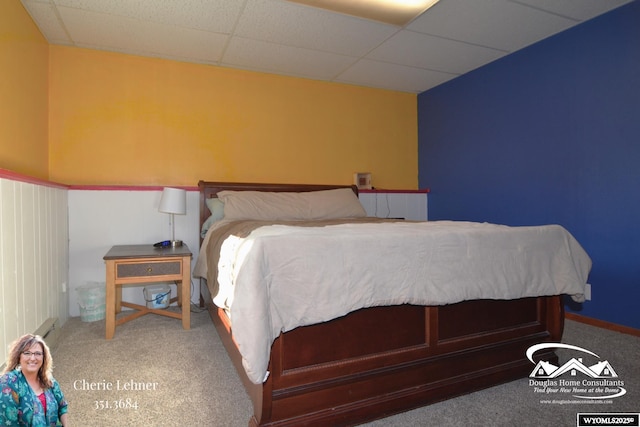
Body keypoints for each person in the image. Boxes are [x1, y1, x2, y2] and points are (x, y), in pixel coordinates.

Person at [0, 334, 68, 426]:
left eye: (38, 353)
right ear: (18, 356)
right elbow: (8, 422)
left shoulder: (49, 381)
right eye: (27, 353)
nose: (33, 358)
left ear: (44, 358)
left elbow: (62, 407)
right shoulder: (8, 383)